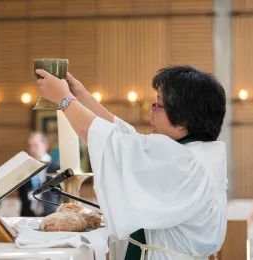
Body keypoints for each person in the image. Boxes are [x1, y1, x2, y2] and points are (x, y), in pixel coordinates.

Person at [35, 65, 227, 259]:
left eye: (157, 105)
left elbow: (113, 144)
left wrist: (65, 99)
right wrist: (81, 95)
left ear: (182, 121)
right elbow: (126, 140)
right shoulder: (198, 152)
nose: (150, 113)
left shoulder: (183, 160)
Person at [18, 132, 60, 217]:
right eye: (30, 146)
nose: (32, 149)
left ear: (45, 146)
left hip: (50, 214)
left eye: (35, 145)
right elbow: (22, 194)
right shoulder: (25, 168)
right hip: (28, 215)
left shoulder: (56, 168)